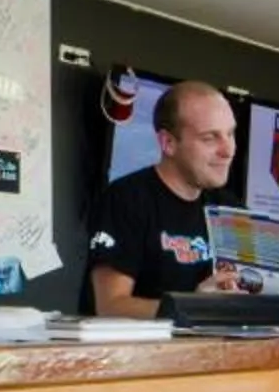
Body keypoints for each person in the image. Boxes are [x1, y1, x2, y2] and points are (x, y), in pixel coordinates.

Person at [86, 80, 235, 316]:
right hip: (137, 352)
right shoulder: (126, 199)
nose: (227, 151)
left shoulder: (229, 208)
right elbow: (110, 306)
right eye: (210, 138)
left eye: (230, 134)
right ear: (168, 143)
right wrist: (195, 306)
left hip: (218, 352)